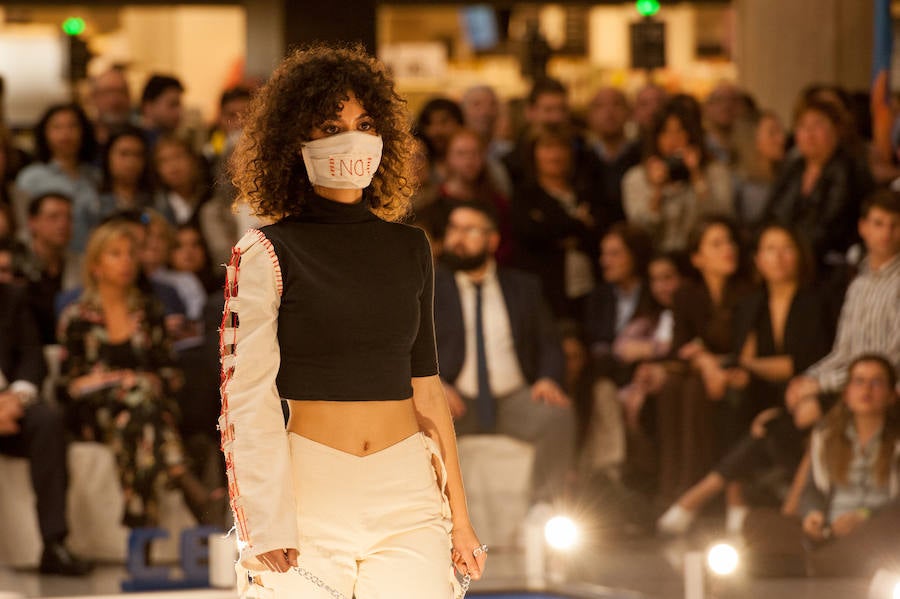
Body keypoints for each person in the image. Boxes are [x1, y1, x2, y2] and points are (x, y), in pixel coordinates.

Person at [221, 44, 485, 597]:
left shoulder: (410, 247)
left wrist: (460, 519)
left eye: (364, 123)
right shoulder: (266, 252)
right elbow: (245, 398)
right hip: (308, 494)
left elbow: (427, 389)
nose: (353, 137)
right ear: (296, 142)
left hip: (408, 491)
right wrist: (262, 520)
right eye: (330, 125)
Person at [657, 224, 832, 535]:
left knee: (763, 420)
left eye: (786, 248)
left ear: (800, 256)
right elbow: (744, 357)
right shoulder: (752, 305)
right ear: (758, 259)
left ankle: (701, 497)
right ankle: (733, 499)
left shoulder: (816, 301)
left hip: (804, 393)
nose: (778, 257)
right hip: (763, 393)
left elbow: (804, 361)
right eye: (769, 249)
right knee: (729, 399)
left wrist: (748, 367)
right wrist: (735, 372)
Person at [57, 220, 215, 527]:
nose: (127, 261)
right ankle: (181, 475)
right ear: (96, 264)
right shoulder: (76, 317)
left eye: (131, 253)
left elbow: (170, 372)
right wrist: (118, 380)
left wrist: (151, 381)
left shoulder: (149, 311)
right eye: (115, 254)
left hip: (146, 407)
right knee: (139, 396)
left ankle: (139, 513)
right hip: (97, 411)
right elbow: (68, 385)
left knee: (136, 414)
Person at [434, 203, 574, 504]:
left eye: (469, 230)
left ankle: (544, 508)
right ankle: (437, 518)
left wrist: (548, 378)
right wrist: (436, 385)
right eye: (453, 229)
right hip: (457, 399)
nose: (458, 238)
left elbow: (549, 341)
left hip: (513, 396)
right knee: (421, 424)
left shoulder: (523, 287)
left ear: (492, 240)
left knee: (558, 417)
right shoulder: (430, 287)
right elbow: (409, 346)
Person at [742, 354, 900, 578]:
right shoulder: (826, 436)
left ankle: (814, 564)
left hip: (876, 528)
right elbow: (813, 489)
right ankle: (826, 560)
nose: (867, 390)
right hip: (832, 530)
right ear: (846, 393)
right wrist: (813, 514)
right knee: (756, 521)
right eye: (859, 381)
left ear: (892, 395)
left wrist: (864, 515)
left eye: (876, 382)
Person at [654, 217, 749, 501]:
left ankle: (690, 492)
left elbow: (745, 347)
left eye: (729, 241)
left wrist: (705, 358)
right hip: (703, 375)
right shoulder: (686, 294)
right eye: (716, 244)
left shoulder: (748, 291)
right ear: (697, 258)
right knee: (672, 386)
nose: (727, 249)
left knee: (693, 389)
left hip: (739, 373)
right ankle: (671, 488)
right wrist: (706, 363)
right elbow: (680, 349)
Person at [0, 282, 92, 575]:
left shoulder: (10, 296)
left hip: (9, 404)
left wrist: (16, 397)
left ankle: (53, 544)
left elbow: (32, 357)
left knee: (48, 422)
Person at [765, 98, 874, 281]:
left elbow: (830, 226)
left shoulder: (848, 170)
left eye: (818, 125)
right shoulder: (793, 168)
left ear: (837, 130)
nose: (809, 134)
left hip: (830, 264)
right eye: (802, 126)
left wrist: (792, 252)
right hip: (788, 257)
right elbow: (770, 213)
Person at [511, 124, 600, 320]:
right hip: (546, 294)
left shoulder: (586, 193)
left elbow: (598, 235)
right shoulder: (525, 196)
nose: (555, 155)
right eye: (547, 148)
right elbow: (530, 234)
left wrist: (558, 231)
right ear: (533, 154)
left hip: (588, 290)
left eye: (562, 147)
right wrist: (577, 224)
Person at [623, 95, 733, 251]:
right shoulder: (637, 177)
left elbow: (720, 220)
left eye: (680, 131)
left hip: (701, 258)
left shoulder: (715, 172)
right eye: (666, 132)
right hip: (656, 261)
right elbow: (640, 233)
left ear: (692, 134)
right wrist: (657, 191)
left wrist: (697, 177)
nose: (673, 139)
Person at [416, 128, 513, 265]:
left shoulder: (497, 202)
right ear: (448, 157)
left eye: (475, 153)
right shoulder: (431, 203)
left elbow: (506, 246)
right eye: (461, 154)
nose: (469, 160)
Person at [14, 104, 100, 253]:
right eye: (57, 127)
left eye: (72, 126)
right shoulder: (31, 178)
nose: (65, 134)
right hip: (46, 261)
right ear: (45, 133)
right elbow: (23, 228)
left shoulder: (95, 176)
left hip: (90, 259)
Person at [18, 193, 82, 345]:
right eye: (54, 217)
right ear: (32, 222)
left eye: (68, 218)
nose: (63, 224)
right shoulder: (16, 265)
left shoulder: (82, 267)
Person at [586, 87, 642, 225]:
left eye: (616, 104)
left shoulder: (642, 154)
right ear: (590, 115)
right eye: (600, 106)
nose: (609, 112)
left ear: (629, 112)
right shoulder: (580, 158)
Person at [732, 111, 786, 236]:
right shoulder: (737, 181)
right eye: (773, 133)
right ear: (753, 139)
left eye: (781, 131)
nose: (781, 139)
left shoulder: (787, 176)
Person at [152, 135, 210, 226]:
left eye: (178, 157)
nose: (173, 166)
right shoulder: (155, 207)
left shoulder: (211, 197)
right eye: (164, 161)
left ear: (193, 160)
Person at [98, 125, 155, 216]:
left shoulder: (155, 201)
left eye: (138, 155)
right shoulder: (93, 202)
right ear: (108, 157)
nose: (131, 162)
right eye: (124, 154)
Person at [90, 67, 134, 146]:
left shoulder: (141, 140)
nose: (114, 100)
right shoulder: (82, 139)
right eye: (107, 93)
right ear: (94, 98)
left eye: (121, 92)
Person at [140, 74, 184, 147]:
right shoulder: (136, 145)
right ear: (149, 107)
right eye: (172, 104)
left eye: (180, 106)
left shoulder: (176, 142)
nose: (179, 111)